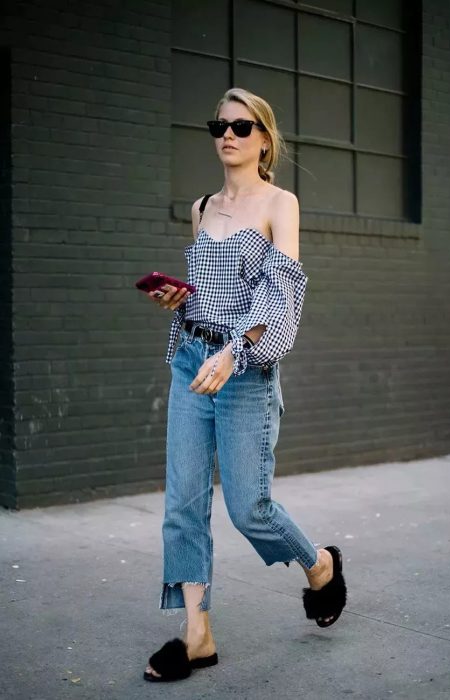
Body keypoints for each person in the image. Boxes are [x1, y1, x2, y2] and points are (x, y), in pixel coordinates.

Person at [143, 87, 347, 683]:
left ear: (264, 137)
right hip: (192, 361)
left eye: (240, 125)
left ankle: (321, 567)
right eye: (218, 125)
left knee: (248, 507)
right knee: (182, 503)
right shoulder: (200, 207)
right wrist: (178, 300)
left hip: (246, 369)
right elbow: (209, 292)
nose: (226, 134)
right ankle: (197, 634)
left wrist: (237, 351)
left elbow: (279, 293)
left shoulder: (281, 204)